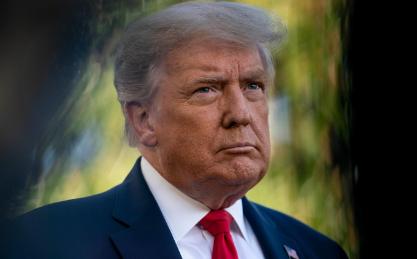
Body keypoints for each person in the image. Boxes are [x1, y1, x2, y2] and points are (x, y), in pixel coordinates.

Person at [2, 1, 348, 259]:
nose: (240, 114)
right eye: (207, 89)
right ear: (143, 120)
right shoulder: (42, 243)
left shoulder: (317, 250)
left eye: (253, 86)